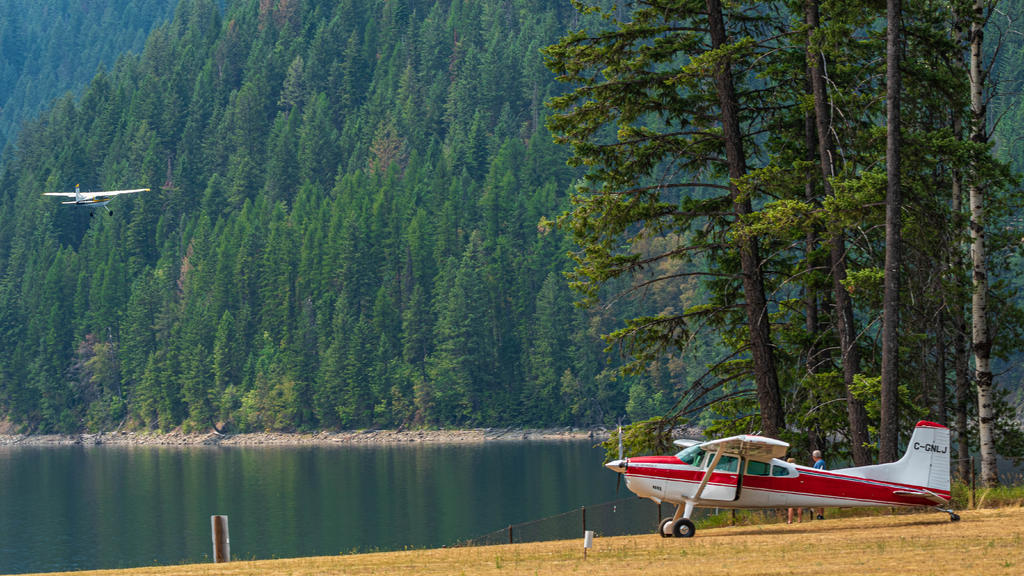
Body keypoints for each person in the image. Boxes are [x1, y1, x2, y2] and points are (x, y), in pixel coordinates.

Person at [786, 458, 802, 524]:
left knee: (790, 506)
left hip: (791, 488)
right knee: (799, 505)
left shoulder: (787, 468)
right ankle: (799, 519)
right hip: (799, 488)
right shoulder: (798, 468)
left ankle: (790, 520)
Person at [812, 450, 826, 520]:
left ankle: (820, 514)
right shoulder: (822, 462)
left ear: (814, 456)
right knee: (821, 500)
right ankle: (820, 514)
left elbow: (817, 473)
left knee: (818, 499)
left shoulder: (818, 463)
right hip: (821, 482)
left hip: (818, 483)